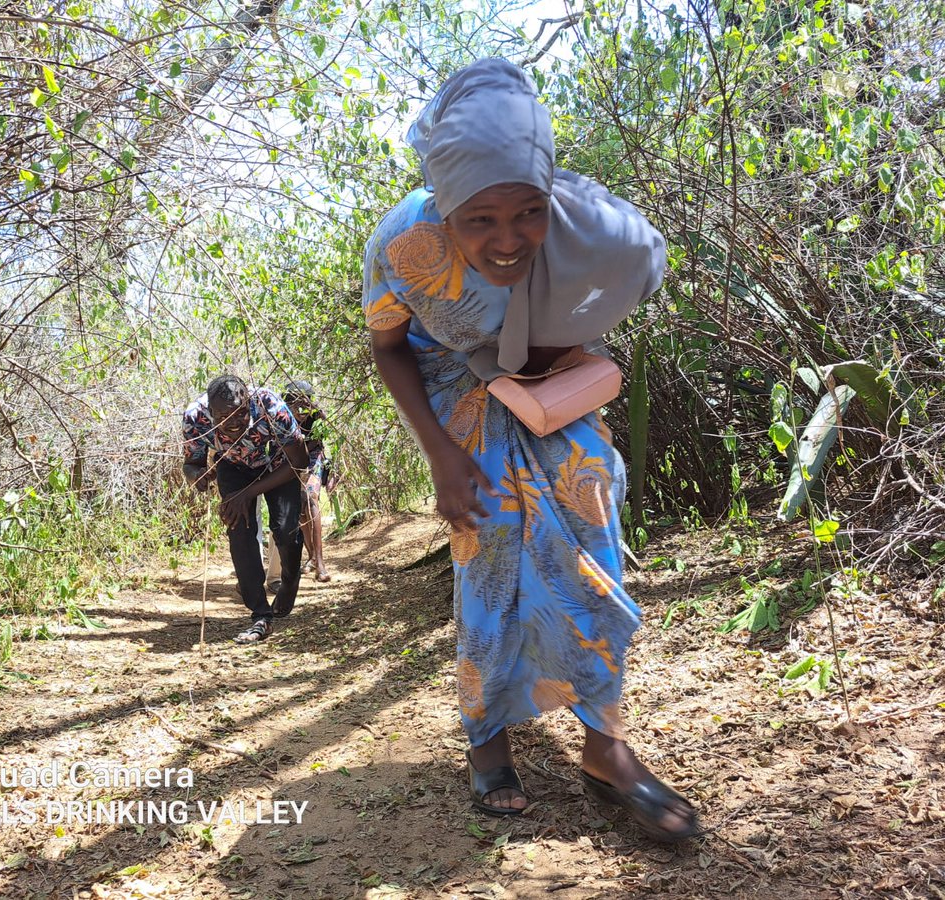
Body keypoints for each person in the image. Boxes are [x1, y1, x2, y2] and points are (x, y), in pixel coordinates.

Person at [362, 59, 699, 841]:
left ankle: (605, 745)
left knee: (593, 528)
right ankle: (486, 738)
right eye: (479, 219)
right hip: (457, 395)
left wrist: (555, 350)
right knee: (487, 557)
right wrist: (444, 456)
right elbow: (389, 348)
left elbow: (628, 271)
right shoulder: (400, 245)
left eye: (528, 213)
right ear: (444, 211)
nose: (508, 240)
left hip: (550, 389)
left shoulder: (586, 228)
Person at [181, 375, 309, 643]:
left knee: (285, 530)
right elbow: (191, 462)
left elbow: (300, 460)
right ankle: (261, 615)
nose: (233, 423)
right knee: (239, 532)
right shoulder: (195, 417)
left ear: (248, 400)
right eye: (223, 417)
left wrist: (247, 494)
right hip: (233, 468)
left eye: (240, 414)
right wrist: (197, 475)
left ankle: (289, 579)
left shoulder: (270, 405)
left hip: (279, 464)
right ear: (210, 411)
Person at [282, 381, 335, 583]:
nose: (301, 410)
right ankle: (312, 556)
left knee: (311, 498)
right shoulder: (281, 416)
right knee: (300, 506)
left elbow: (321, 443)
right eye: (296, 405)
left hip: (313, 457)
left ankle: (320, 562)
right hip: (291, 460)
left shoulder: (317, 416)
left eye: (305, 404)